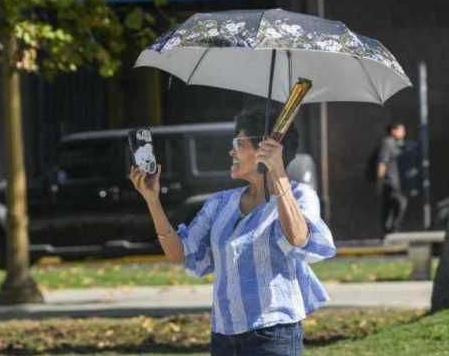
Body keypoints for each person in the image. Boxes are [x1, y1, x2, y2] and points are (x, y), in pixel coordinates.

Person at [129, 107, 335, 355]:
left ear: (265, 149)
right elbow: (179, 255)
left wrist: (278, 173)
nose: (231, 151)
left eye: (239, 143)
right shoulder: (220, 203)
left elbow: (299, 238)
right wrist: (152, 200)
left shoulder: (299, 196)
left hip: (274, 334)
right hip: (224, 336)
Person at [377, 122, 408, 234]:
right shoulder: (388, 143)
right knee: (401, 202)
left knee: (390, 206)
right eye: (401, 130)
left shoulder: (397, 144)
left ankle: (388, 231)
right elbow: (382, 163)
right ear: (393, 131)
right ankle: (392, 230)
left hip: (395, 182)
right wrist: (380, 181)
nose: (404, 133)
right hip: (390, 182)